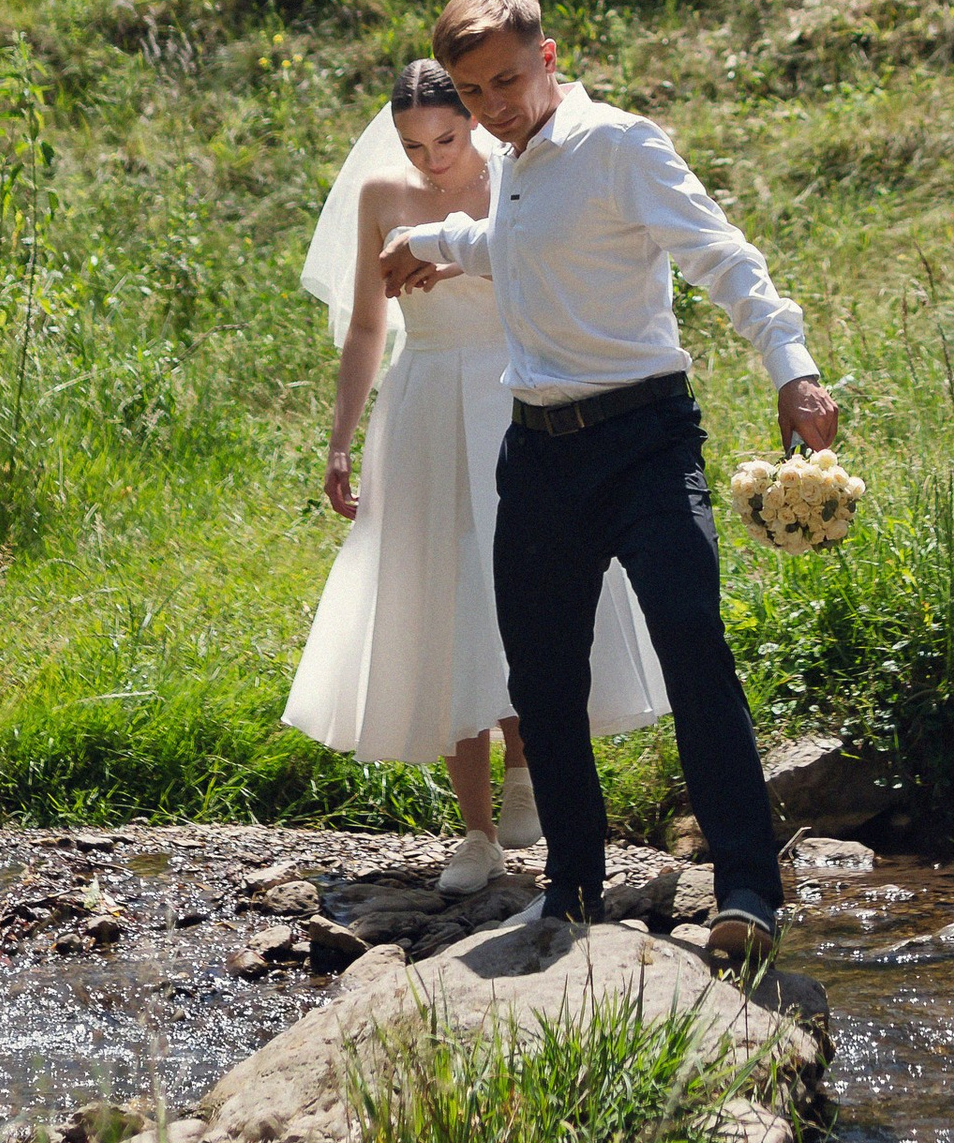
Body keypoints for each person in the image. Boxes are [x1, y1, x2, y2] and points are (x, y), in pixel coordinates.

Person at [382, 0, 838, 968]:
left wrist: (791, 368)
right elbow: (521, 244)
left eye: (507, 82)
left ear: (547, 58)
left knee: (691, 643)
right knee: (543, 676)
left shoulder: (621, 144)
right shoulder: (513, 164)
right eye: (474, 92)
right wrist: (433, 243)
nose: (493, 108)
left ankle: (747, 891)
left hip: (645, 440)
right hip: (538, 451)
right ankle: (573, 886)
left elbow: (722, 257)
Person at [283, 55, 667, 892]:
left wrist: (456, 258)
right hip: (424, 403)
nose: (432, 160)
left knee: (522, 585)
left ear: (470, 119)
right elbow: (366, 327)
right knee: (442, 595)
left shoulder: (517, 173)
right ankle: (475, 832)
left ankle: (528, 771)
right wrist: (340, 440)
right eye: (413, 147)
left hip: (511, 391)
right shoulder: (381, 196)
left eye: (446, 140)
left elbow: (543, 266)